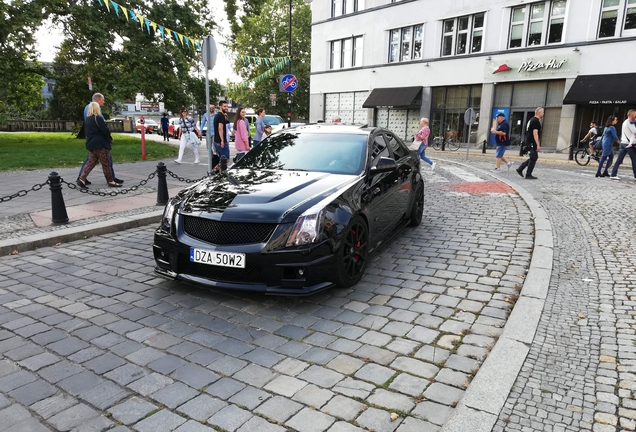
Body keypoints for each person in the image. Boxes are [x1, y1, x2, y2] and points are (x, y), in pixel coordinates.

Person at [78, 93, 123, 185]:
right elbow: (105, 130)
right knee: (106, 163)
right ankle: (111, 181)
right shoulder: (97, 118)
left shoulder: (88, 119)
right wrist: (109, 138)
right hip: (100, 143)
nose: (104, 102)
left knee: (91, 162)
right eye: (102, 100)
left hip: (91, 143)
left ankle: (81, 179)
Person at [516, 107, 544, 180]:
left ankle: (521, 168)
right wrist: (537, 144)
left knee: (533, 157)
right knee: (533, 157)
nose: (543, 114)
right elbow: (535, 133)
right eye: (543, 112)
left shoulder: (531, 120)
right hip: (532, 142)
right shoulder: (535, 121)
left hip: (529, 141)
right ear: (539, 112)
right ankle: (528, 174)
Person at [610, 109, 636, 180]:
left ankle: (613, 174)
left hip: (623, 143)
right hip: (628, 144)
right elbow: (634, 131)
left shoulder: (625, 122)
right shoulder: (629, 123)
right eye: (635, 114)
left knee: (619, 160)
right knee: (634, 159)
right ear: (631, 115)